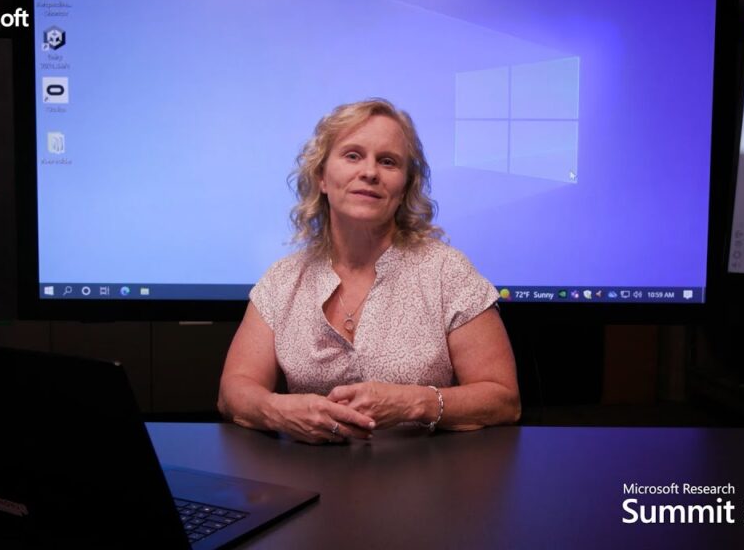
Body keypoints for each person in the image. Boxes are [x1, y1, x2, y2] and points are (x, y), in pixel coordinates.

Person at [217, 98, 520, 444]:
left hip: (428, 486)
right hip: (308, 483)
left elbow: (504, 400)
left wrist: (414, 403)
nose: (370, 172)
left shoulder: (447, 272)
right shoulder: (282, 280)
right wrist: (280, 411)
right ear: (322, 178)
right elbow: (233, 392)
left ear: (404, 187)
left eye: (388, 162)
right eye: (352, 155)